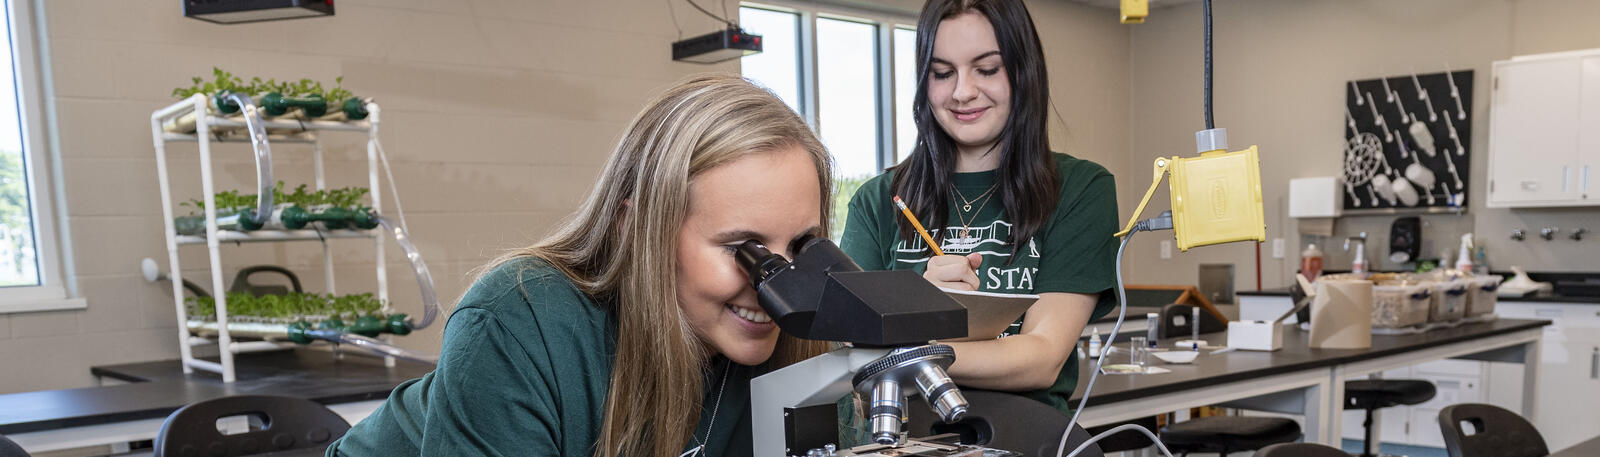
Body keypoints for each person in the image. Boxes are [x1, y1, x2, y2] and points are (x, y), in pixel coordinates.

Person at [329, 74, 834, 456]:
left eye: (802, 245)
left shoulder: (786, 343)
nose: (779, 282)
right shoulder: (519, 321)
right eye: (744, 247)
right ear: (637, 230)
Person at [839, 0, 1118, 415]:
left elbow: (1043, 357)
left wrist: (910, 346)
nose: (962, 92)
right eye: (942, 73)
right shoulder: (879, 201)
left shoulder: (1080, 189)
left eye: (987, 69)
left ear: (1024, 73)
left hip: (1024, 434)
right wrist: (925, 310)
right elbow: (846, 354)